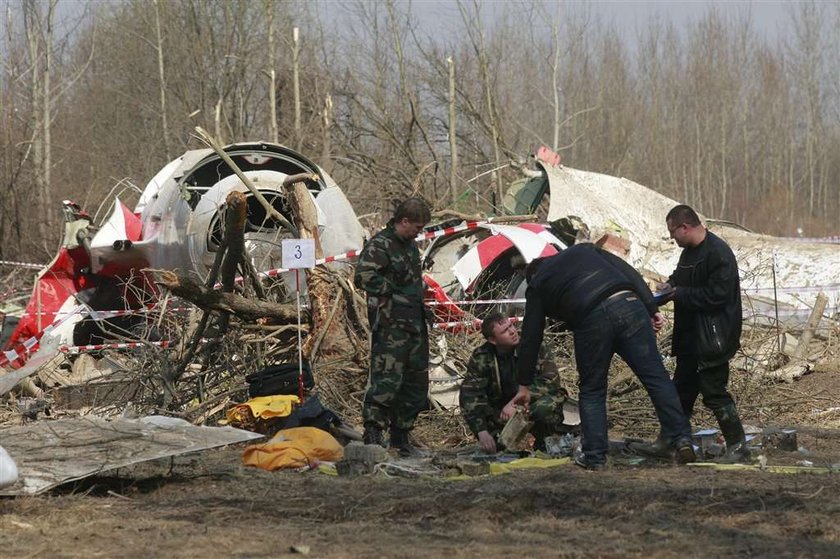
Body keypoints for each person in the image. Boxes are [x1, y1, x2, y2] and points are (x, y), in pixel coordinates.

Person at [511, 243, 696, 470]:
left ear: (533, 275)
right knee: (656, 377)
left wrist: (524, 384)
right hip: (629, 304)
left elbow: (532, 336)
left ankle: (595, 457)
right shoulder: (585, 250)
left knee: (592, 389)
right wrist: (651, 306)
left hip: (591, 318)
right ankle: (682, 439)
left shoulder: (538, 284)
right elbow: (628, 271)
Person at [632, 205, 749, 463]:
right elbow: (682, 277)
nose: (673, 240)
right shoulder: (689, 253)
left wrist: (679, 294)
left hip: (713, 338)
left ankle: (738, 447)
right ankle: (670, 440)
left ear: (685, 227)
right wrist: (670, 285)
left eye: (673, 233)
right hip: (689, 338)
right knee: (681, 392)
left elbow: (717, 296)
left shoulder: (718, 253)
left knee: (714, 391)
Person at [354, 197, 432, 456]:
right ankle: (374, 433)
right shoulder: (381, 244)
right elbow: (364, 276)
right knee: (387, 379)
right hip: (391, 325)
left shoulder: (409, 246)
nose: (419, 232)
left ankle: (401, 437)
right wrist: (396, 292)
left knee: (414, 382)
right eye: (417, 227)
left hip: (414, 324)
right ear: (404, 221)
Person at [459, 312, 569, 454]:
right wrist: (481, 431)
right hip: (502, 410)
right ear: (493, 340)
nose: (512, 332)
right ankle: (499, 442)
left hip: (531, 402)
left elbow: (551, 379)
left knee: (545, 408)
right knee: (497, 451)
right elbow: (470, 394)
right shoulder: (482, 357)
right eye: (505, 331)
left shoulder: (532, 345)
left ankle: (546, 440)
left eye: (511, 326)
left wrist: (518, 401)